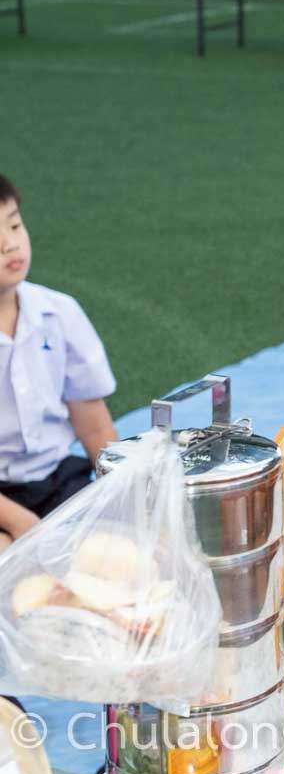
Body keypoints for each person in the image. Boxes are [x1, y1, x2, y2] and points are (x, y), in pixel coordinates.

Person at [0, 173, 117, 549]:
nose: (9, 243)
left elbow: (94, 427)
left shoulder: (59, 313)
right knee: (9, 559)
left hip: (56, 481)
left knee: (110, 548)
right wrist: (20, 523)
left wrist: (125, 494)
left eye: (14, 225)